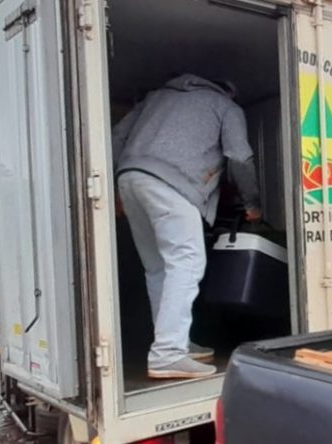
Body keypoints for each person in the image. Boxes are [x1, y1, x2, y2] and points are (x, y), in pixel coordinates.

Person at [111, 73, 261, 379]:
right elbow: (239, 157)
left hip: (130, 177)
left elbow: (116, 137)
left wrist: (114, 183)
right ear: (229, 92)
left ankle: (176, 344)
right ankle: (168, 352)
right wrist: (252, 203)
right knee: (188, 261)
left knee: (158, 269)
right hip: (174, 184)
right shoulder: (226, 106)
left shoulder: (155, 97)